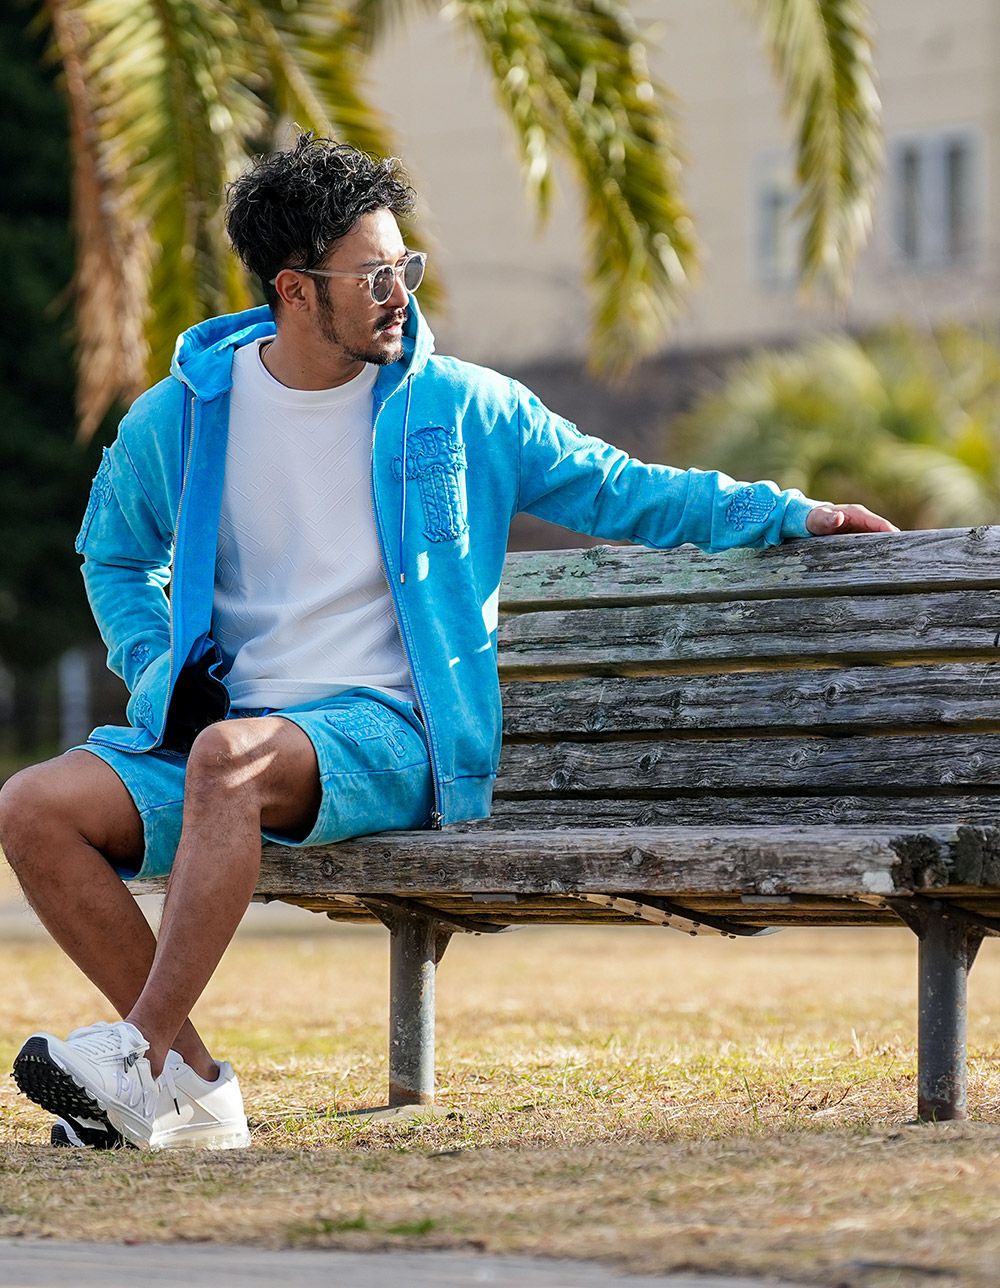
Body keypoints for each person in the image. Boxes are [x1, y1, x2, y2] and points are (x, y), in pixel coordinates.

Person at [0, 135, 897, 1153]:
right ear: (294, 290)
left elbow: (624, 489)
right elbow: (115, 555)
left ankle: (135, 1053)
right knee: (33, 806)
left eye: (405, 266)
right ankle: (191, 1088)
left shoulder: (464, 406)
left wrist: (789, 513)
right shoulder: (185, 417)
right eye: (372, 276)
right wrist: (159, 668)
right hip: (231, 738)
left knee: (226, 758)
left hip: (391, 732)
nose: (399, 294)